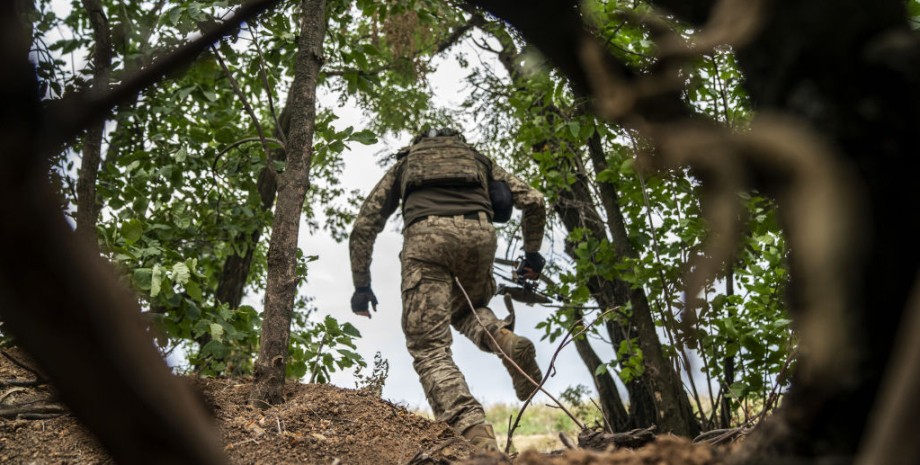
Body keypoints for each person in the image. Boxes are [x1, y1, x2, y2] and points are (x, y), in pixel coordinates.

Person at [348, 128, 547, 451]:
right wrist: (533, 253)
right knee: (468, 308)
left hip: (427, 240)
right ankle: (504, 340)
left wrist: (361, 285)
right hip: (480, 236)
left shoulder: (406, 163)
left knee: (429, 346)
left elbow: (364, 225)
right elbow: (534, 200)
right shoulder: (478, 160)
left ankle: (472, 432)